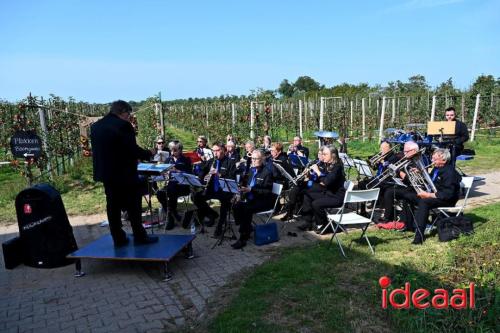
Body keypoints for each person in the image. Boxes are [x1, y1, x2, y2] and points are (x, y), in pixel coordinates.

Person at [90, 100, 158, 246]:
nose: (129, 117)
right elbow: (131, 149)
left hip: (106, 174)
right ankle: (140, 236)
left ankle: (118, 238)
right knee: (133, 205)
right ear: (123, 112)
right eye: (129, 114)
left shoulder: (96, 126)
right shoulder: (123, 125)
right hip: (124, 173)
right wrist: (148, 153)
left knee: (113, 206)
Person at [387, 149, 461, 244]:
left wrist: (428, 195)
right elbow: (430, 181)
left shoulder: (450, 172)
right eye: (432, 158)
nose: (432, 161)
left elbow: (448, 194)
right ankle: (409, 226)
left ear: (443, 160)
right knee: (407, 195)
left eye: (435, 159)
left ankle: (419, 236)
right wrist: (420, 173)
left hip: (445, 200)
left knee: (424, 202)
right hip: (435, 195)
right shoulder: (437, 169)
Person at [232, 149, 275, 249]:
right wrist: (239, 194)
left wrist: (251, 189)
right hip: (252, 198)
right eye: (252, 159)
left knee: (246, 209)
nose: (253, 161)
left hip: (264, 201)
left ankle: (243, 238)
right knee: (236, 205)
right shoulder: (251, 171)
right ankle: (247, 227)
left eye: (256, 159)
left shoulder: (267, 172)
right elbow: (245, 185)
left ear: (262, 159)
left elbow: (267, 192)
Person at [298, 145, 346, 232]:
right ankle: (307, 221)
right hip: (328, 192)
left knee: (316, 204)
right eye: (322, 154)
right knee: (307, 194)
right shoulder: (327, 165)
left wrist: (317, 171)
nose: (323, 156)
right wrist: (310, 174)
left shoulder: (337, 167)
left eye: (325, 154)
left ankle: (324, 225)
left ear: (333, 155)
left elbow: (326, 182)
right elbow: (321, 180)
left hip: (337, 197)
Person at [193, 142, 237, 236]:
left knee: (225, 202)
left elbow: (232, 179)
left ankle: (220, 225)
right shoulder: (211, 161)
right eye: (213, 150)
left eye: (217, 150)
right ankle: (211, 214)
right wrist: (204, 177)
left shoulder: (230, 162)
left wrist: (219, 174)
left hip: (224, 190)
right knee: (196, 197)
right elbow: (202, 172)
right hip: (212, 189)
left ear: (223, 150)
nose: (215, 153)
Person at [156, 141, 192, 230]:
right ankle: (173, 214)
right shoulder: (168, 159)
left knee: (171, 192)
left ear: (180, 150)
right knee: (160, 193)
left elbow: (190, 174)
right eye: (171, 150)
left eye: (175, 150)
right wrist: (164, 173)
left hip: (182, 186)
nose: (172, 152)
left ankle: (171, 218)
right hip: (170, 185)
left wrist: (178, 171)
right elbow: (163, 173)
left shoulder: (186, 160)